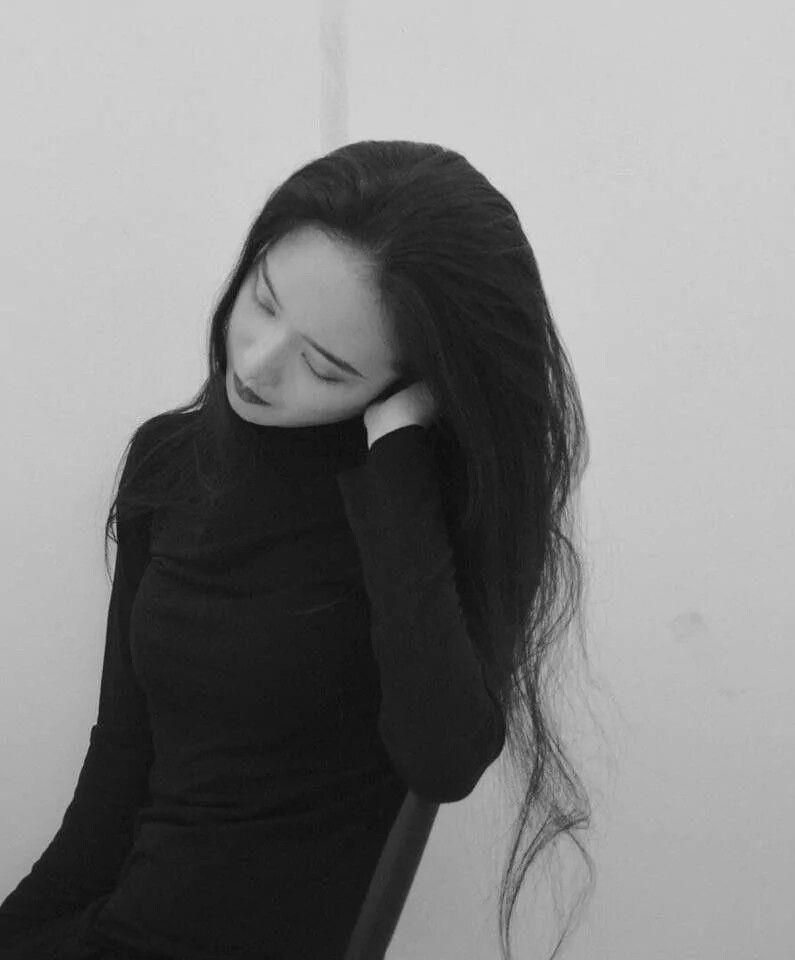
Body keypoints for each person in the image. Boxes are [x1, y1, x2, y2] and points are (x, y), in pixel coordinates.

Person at [0, 140, 599, 960]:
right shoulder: (171, 462)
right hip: (124, 927)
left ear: (413, 384)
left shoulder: (418, 522)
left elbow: (443, 757)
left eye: (324, 366)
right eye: (263, 300)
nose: (256, 363)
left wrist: (399, 460)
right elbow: (117, 771)